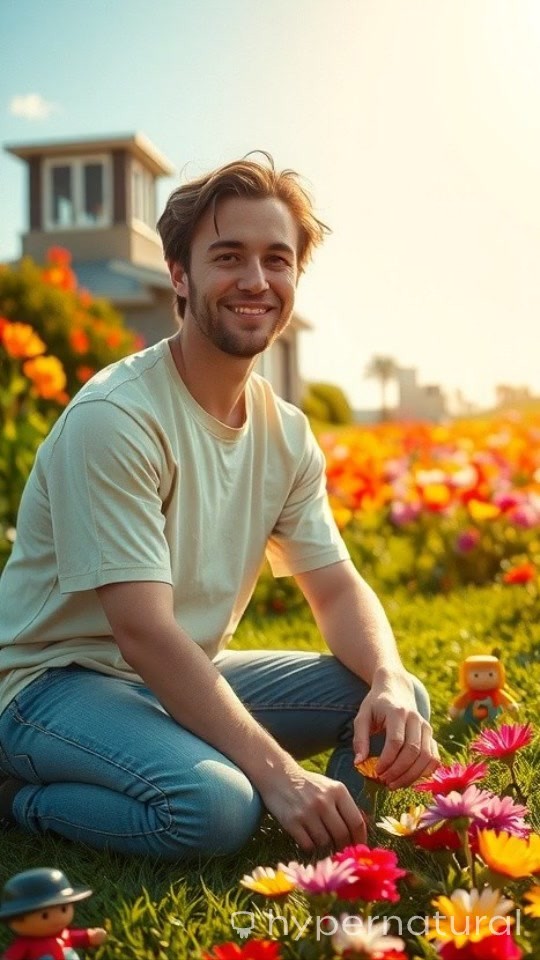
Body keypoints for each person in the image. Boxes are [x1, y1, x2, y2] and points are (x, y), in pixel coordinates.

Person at [0, 155, 439, 860]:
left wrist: (386, 677)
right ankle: (18, 795)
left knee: (400, 700)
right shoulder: (117, 416)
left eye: (277, 259)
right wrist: (276, 773)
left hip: (177, 678)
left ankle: (335, 847)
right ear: (180, 274)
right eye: (228, 257)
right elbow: (142, 632)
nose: (256, 281)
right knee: (214, 808)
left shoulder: (286, 432)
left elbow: (334, 588)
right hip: (53, 686)